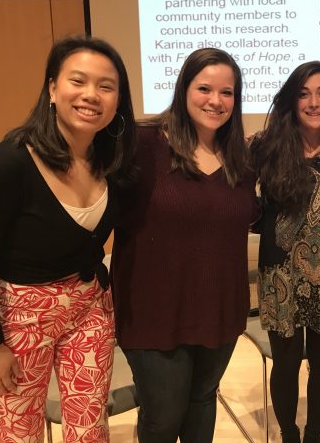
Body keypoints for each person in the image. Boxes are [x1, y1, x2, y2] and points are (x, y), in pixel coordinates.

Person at [0, 36, 137, 442]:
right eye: (78, 81)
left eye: (106, 86)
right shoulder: (6, 166)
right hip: (21, 319)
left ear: (118, 101)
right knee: (19, 432)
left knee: (90, 430)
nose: (91, 95)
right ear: (52, 88)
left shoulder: (113, 161)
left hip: (90, 309)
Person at [110, 48, 256, 443]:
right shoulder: (143, 145)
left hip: (220, 309)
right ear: (183, 89)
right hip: (155, 311)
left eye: (227, 92)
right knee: (164, 417)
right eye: (204, 88)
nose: (216, 100)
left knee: (202, 401)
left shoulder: (241, 160)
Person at [250, 61, 320, 443]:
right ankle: (289, 435)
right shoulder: (265, 148)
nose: (313, 102)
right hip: (280, 279)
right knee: (286, 364)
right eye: (304, 94)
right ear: (292, 101)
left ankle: (314, 436)